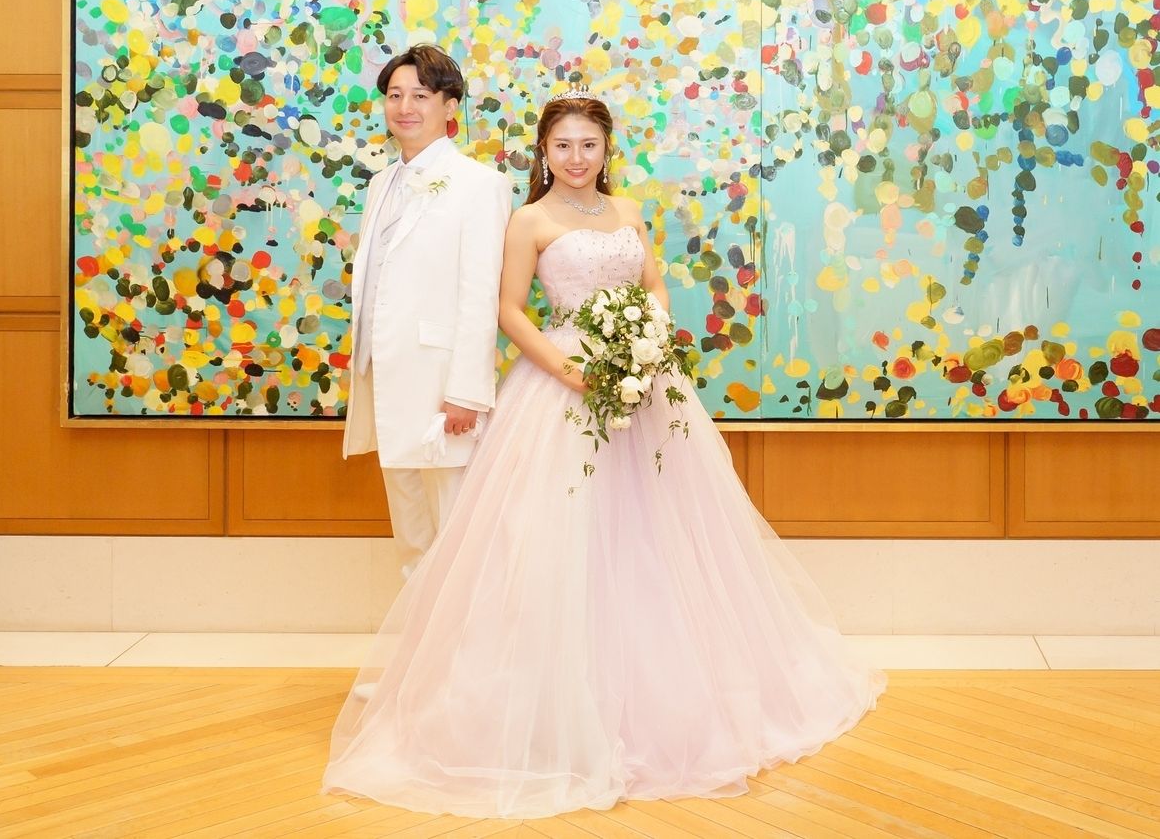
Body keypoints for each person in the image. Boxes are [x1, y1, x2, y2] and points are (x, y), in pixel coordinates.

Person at [325, 89, 884, 818]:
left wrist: (648, 345)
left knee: (660, 533)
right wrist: (571, 370)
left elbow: (653, 285)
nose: (576, 157)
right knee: (557, 540)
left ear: (605, 149)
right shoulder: (529, 219)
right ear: (544, 151)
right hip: (560, 386)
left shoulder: (627, 212)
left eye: (588, 145)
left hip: (645, 386)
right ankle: (554, 703)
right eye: (562, 145)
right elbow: (508, 310)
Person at [342, 44, 511, 579]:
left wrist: (467, 392)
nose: (404, 107)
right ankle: (419, 629)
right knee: (412, 537)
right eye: (394, 96)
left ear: (449, 105)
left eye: (420, 95)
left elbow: (481, 293)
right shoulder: (380, 183)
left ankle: (465, 632)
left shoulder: (480, 184)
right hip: (387, 380)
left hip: (442, 390)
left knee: (456, 533)